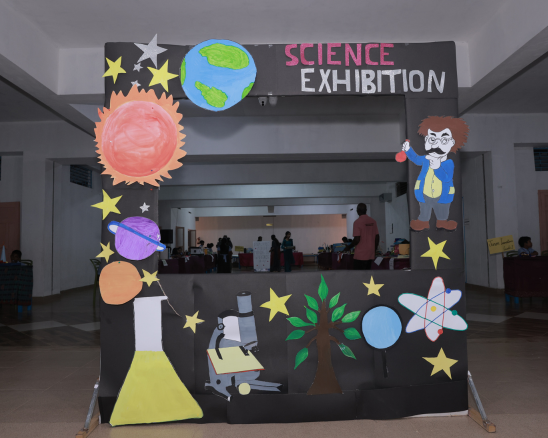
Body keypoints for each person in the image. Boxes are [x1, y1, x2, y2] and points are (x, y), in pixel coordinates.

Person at [401, 116, 470, 231]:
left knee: (442, 209)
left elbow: (446, 178)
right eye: (432, 139)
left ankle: (442, 222)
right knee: (424, 208)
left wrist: (437, 167)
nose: (436, 145)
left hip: (442, 194)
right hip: (425, 192)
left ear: (452, 142)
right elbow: (416, 159)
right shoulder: (426, 159)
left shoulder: (448, 163)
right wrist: (408, 150)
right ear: (426, 140)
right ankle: (423, 221)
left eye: (444, 140)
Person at [345, 203, 379, 270]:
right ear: (366, 210)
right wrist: (374, 249)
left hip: (360, 255)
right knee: (368, 274)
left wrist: (348, 247)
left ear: (358, 211)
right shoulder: (373, 221)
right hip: (370, 254)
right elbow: (377, 237)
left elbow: (357, 240)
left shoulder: (357, 222)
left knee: (358, 275)